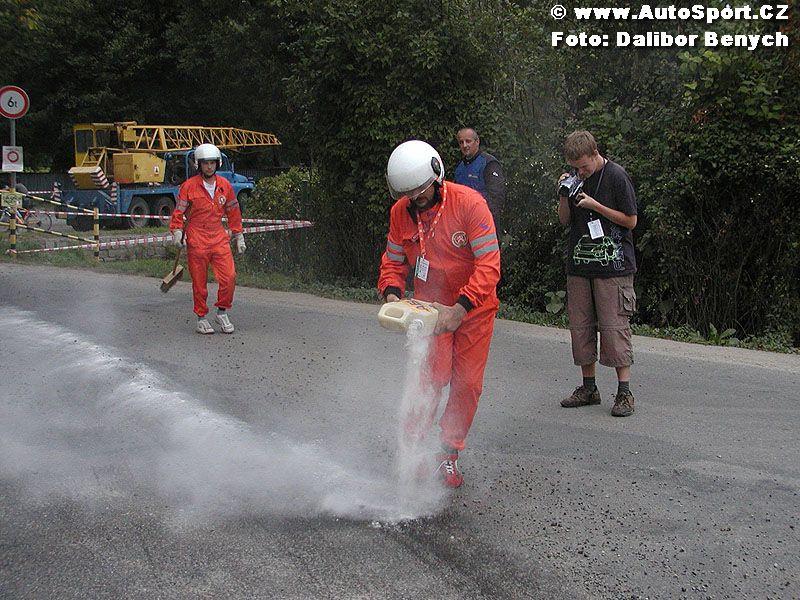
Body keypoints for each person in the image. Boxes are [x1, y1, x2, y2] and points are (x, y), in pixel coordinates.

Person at [378, 140, 501, 487]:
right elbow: (393, 261)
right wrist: (392, 294)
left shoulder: (470, 205)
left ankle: (448, 453)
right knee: (430, 379)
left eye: (420, 192)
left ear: (436, 177)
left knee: (467, 384)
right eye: (408, 194)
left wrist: (460, 308)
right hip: (429, 308)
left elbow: (489, 265)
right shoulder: (400, 212)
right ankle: (413, 450)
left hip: (473, 307)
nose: (415, 200)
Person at [557, 130, 638, 417]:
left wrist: (596, 206)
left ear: (595, 153)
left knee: (615, 329)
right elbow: (564, 220)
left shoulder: (616, 176)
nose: (580, 172)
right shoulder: (575, 178)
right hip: (580, 266)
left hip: (613, 267)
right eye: (575, 167)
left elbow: (631, 220)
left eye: (583, 166)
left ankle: (624, 392)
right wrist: (563, 195)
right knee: (581, 328)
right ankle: (588, 387)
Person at [169, 143, 246, 334]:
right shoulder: (188, 187)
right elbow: (178, 212)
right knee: (199, 282)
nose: (209, 167)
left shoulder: (225, 186)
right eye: (205, 163)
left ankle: (222, 312)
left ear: (217, 164)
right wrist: (177, 232)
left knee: (229, 277)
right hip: (197, 240)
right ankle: (201, 317)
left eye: (212, 163)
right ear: (199, 164)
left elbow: (233, 211)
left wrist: (239, 235)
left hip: (219, 238)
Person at [454, 127, 506, 230]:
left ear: (477, 141)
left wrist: (480, 217)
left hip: (485, 224)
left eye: (468, 141)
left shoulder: (489, 163)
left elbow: (496, 199)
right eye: (461, 142)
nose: (465, 145)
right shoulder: (459, 167)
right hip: (464, 224)